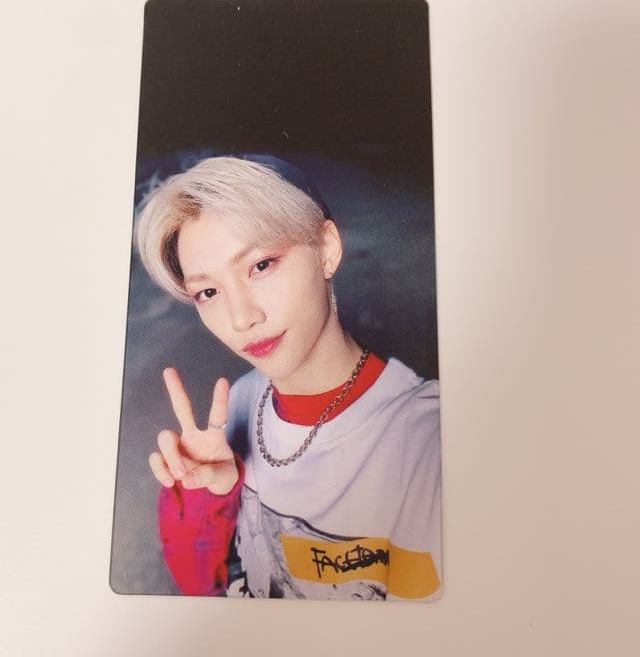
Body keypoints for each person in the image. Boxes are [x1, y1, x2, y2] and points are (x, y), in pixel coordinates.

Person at [135, 156, 442, 600]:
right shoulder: (241, 401)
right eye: (209, 292)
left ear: (326, 249)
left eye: (261, 266)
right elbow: (202, 591)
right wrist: (207, 498)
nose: (241, 317)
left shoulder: (429, 441)